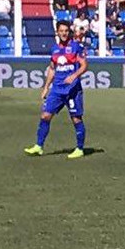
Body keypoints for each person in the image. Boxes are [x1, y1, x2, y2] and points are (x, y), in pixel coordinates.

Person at [23, 21, 88, 159]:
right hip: (57, 89)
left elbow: (84, 65)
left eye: (66, 31)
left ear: (68, 32)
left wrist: (74, 76)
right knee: (45, 116)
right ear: (57, 32)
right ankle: (39, 147)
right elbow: (52, 68)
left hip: (72, 90)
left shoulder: (75, 47)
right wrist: (46, 87)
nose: (63, 33)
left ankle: (80, 149)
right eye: (61, 31)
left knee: (76, 119)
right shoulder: (54, 49)